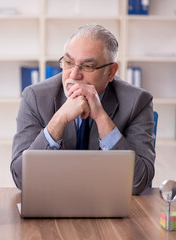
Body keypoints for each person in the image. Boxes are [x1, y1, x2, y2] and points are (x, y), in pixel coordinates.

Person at [10, 24, 155, 195]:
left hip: (108, 201)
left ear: (110, 72)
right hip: (54, 200)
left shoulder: (137, 102)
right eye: (69, 62)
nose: (73, 75)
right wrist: (59, 119)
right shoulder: (35, 97)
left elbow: (139, 181)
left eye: (88, 66)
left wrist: (101, 117)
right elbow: (21, 178)